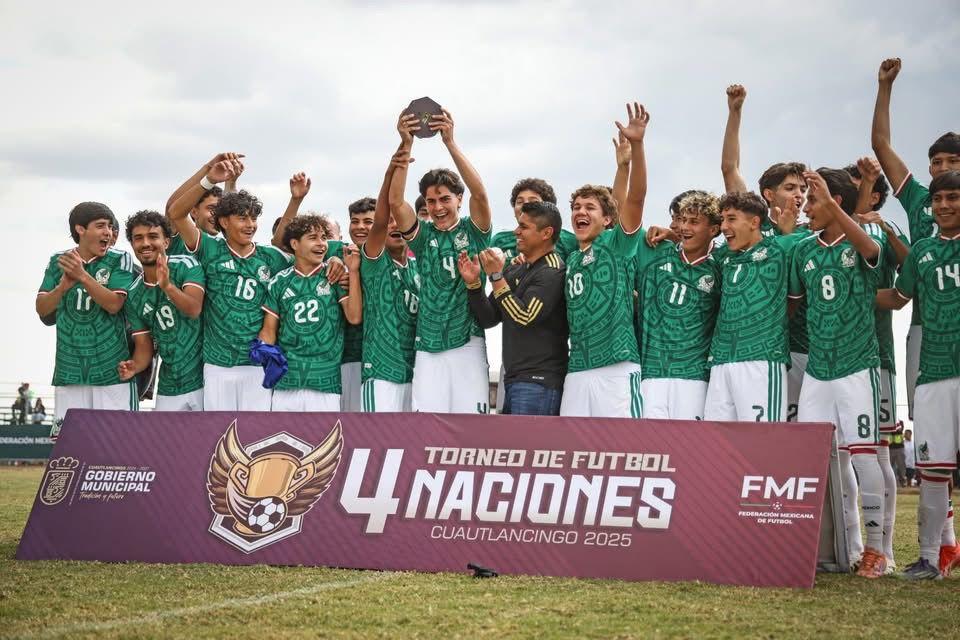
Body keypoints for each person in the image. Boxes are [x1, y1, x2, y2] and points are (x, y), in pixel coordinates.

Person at [789, 168, 889, 578]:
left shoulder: (865, 239)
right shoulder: (803, 251)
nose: (805, 209)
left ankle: (877, 550)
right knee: (814, 460)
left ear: (836, 204)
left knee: (864, 457)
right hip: (818, 368)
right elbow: (792, 305)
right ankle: (828, 545)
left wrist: (830, 202)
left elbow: (870, 250)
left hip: (856, 366)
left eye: (812, 201)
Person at [876, 170, 960, 580]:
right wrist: (854, 292)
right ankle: (930, 558)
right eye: (938, 199)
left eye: (953, 198)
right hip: (933, 372)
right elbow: (898, 296)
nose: (943, 206)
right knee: (934, 469)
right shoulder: (923, 251)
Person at [871, 57, 960, 422]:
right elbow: (880, 144)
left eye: (952, 160)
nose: (943, 168)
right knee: (929, 425)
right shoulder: (918, 197)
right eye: (936, 161)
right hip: (924, 322)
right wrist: (885, 86)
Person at [167, 158, 295, 411]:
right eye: (242, 219)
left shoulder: (271, 257)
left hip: (256, 364)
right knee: (219, 438)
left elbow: (307, 263)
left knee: (254, 439)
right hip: (218, 366)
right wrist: (209, 180)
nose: (250, 225)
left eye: (253, 219)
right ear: (224, 222)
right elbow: (176, 213)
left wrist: (334, 260)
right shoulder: (210, 249)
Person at [389, 108, 493, 414]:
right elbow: (396, 202)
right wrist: (406, 143)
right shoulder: (422, 237)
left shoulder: (474, 232)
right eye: (431, 201)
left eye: (445, 199)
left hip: (468, 341)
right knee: (427, 426)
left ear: (459, 199)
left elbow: (482, 195)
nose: (438, 207)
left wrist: (450, 142)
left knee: (471, 425)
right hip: (429, 344)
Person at [720, 84, 810, 423]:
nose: (798, 194)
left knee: (813, 436)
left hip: (805, 346)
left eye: (802, 188)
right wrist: (735, 112)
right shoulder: (750, 226)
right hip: (759, 350)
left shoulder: (810, 233)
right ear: (767, 194)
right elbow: (730, 168)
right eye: (790, 187)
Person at [560, 103, 651, 418]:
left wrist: (636, 149)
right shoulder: (571, 255)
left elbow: (632, 201)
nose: (580, 212)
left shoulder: (616, 245)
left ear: (608, 220)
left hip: (617, 365)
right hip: (578, 367)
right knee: (573, 453)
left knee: (622, 450)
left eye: (589, 207)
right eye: (576, 207)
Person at [847, 156, 910, 572]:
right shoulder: (827, 233)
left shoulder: (883, 230)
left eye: (858, 189)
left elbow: (909, 276)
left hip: (876, 356)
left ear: (874, 195)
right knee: (843, 456)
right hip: (832, 358)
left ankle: (882, 550)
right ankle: (848, 547)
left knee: (878, 456)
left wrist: (887, 228)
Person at [36, 202, 144, 435]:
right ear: (80, 229)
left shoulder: (119, 258)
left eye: (110, 227)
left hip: (112, 371)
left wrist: (82, 276)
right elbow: (42, 309)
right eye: (100, 226)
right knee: (69, 447)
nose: (108, 232)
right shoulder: (59, 261)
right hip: (69, 371)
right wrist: (62, 287)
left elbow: (115, 304)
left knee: (119, 444)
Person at [460, 201, 568, 415]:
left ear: (546, 233)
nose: (516, 232)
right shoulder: (517, 268)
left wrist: (497, 277)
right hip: (513, 379)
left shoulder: (553, 271)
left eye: (524, 227)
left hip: (540, 382)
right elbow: (489, 318)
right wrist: (474, 285)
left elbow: (524, 316)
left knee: (531, 447)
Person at [703, 190, 799, 423]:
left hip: (761, 360)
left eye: (732, 219)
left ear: (755, 222)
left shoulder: (781, 248)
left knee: (763, 444)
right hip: (720, 360)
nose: (724, 226)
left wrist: (789, 231)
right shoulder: (722, 256)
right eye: (723, 219)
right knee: (715, 446)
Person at [258, 215, 362, 411]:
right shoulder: (279, 281)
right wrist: (262, 350)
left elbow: (354, 317)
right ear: (295, 243)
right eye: (313, 237)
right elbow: (269, 330)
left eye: (324, 237)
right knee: (284, 440)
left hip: (325, 382)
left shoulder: (334, 275)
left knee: (323, 442)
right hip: (286, 382)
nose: (322, 244)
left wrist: (354, 272)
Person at [638, 192, 722, 420]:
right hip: (652, 374)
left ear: (713, 230)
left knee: (688, 450)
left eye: (693, 222)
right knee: (650, 450)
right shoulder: (656, 255)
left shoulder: (720, 268)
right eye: (682, 220)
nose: (684, 227)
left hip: (694, 377)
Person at [357, 151, 420, 412]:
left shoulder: (419, 267)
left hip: (416, 374)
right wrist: (390, 173)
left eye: (400, 220)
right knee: (377, 446)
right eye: (390, 221)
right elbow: (381, 220)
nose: (394, 225)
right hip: (381, 373)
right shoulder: (375, 262)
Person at [124, 211, 206, 411]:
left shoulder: (186, 265)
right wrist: (134, 366)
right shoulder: (134, 293)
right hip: (169, 384)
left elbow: (194, 309)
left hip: (204, 379)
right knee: (167, 442)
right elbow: (144, 345)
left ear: (166, 242)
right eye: (138, 238)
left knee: (209, 441)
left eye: (153, 237)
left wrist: (168, 286)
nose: (145, 243)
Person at [340, 197, 377, 411]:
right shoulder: (337, 251)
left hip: (381, 363)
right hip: (345, 359)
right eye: (355, 221)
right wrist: (335, 262)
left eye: (368, 221)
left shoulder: (390, 256)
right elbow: (285, 242)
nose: (360, 227)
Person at [491, 179, 578, 263]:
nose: (525, 205)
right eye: (519, 202)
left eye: (533, 201)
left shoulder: (569, 240)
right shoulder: (500, 240)